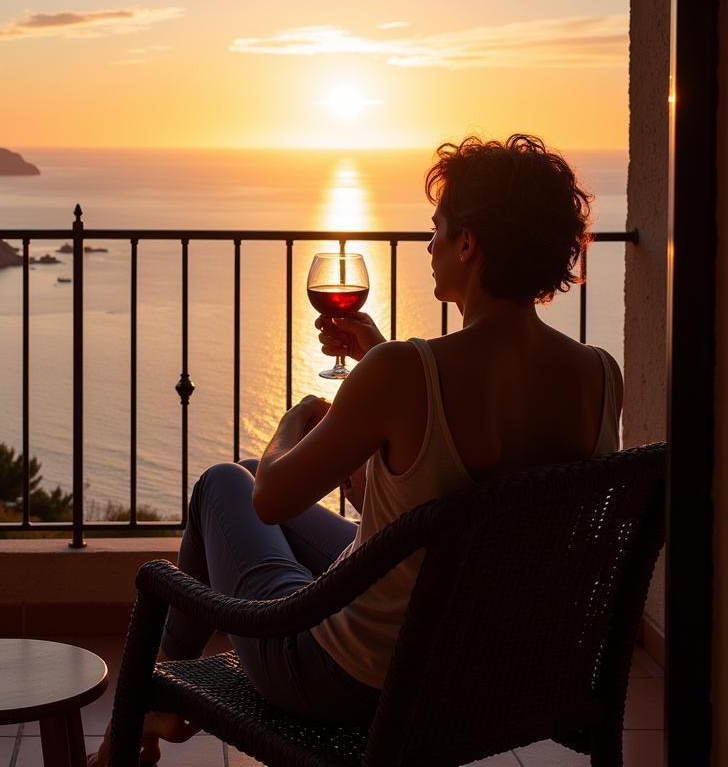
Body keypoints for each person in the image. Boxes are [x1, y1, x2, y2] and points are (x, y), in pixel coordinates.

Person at [94, 134, 623, 766]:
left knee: (227, 482)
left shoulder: (405, 373)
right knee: (244, 484)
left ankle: (161, 698)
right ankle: (164, 704)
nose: (428, 246)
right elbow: (466, 518)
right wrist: (380, 371)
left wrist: (293, 426)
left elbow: (271, 499)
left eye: (437, 229)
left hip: (351, 681)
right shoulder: (598, 375)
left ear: (468, 243)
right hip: (490, 668)